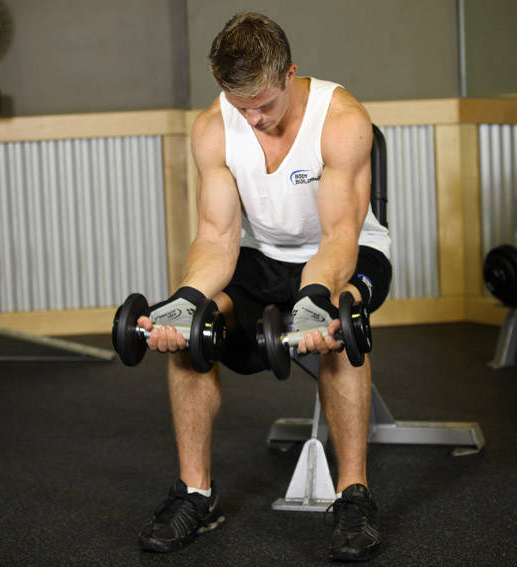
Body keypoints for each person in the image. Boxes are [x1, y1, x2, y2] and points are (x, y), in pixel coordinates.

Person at [136, 12, 392, 562]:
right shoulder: (212, 127)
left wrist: (315, 299)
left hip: (346, 252)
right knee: (190, 334)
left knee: (341, 322)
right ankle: (195, 495)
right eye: (240, 106)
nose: (253, 119)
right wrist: (186, 300)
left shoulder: (341, 118)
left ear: (291, 73)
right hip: (262, 254)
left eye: (265, 105)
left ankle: (354, 497)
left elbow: (340, 235)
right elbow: (217, 236)